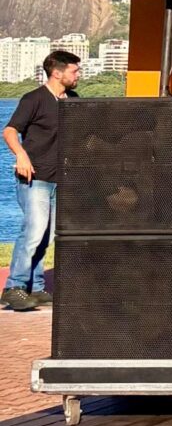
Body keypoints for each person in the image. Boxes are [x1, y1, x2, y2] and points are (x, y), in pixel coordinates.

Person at [4, 47, 80, 311]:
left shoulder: (72, 99)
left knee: (47, 236)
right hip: (35, 178)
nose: (78, 75)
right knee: (33, 231)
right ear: (57, 73)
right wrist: (21, 156)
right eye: (74, 71)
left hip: (60, 179)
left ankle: (35, 287)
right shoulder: (33, 99)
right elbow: (10, 131)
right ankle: (13, 288)